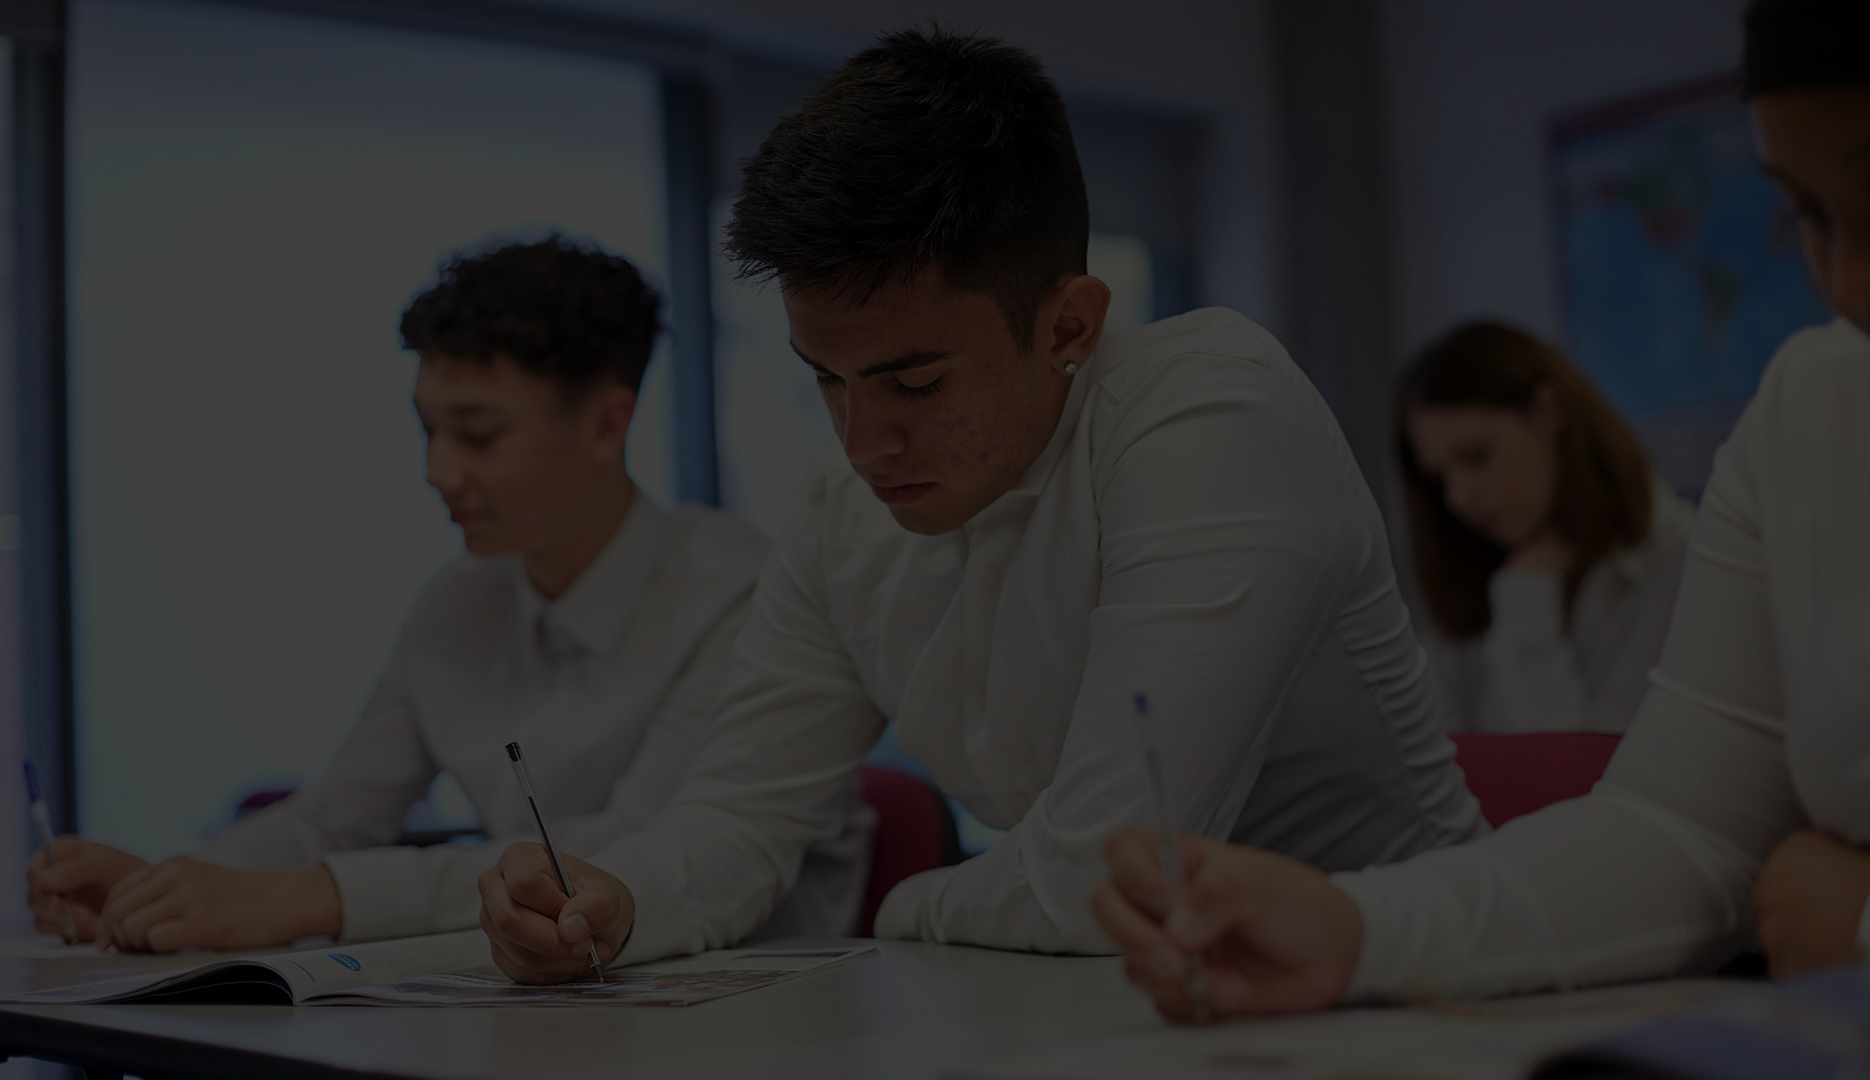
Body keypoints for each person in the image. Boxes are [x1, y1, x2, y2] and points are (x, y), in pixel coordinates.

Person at [472, 27, 1484, 984]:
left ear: (1071, 327)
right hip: (1123, 1012)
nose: (864, 445)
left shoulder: (1212, 412)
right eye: (825, 379)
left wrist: (910, 905)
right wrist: (621, 898)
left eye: (916, 386)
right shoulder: (840, 506)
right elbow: (741, 814)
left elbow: (1109, 878)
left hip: (1426, 1004)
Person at [1094, 0, 1870, 1021]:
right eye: (1807, 215)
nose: (1847, 283)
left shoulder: (1667, 545)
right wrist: (1357, 930)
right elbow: (1681, 831)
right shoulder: (1810, 412)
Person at [25, 237, 864, 951]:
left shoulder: (738, 590)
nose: (439, 472)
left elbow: (631, 853)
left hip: (746, 1013)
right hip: (535, 999)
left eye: (478, 433)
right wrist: (166, 885)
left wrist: (308, 898)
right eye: (428, 430)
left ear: (608, 424)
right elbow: (335, 817)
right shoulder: (458, 600)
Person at [1398, 323, 1693, 733]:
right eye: (1439, 479)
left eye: (1475, 457)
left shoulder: (1686, 564)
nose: (1457, 498)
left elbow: (1578, 779)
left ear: (1548, 413)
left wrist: (1524, 600)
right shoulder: (1471, 579)